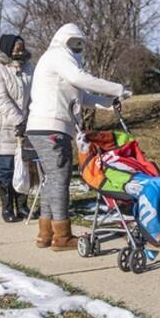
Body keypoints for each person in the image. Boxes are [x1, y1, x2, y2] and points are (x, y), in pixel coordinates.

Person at [26, 23, 132, 251]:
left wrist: (111, 102)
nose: (76, 48)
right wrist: (117, 88)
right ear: (62, 40)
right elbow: (81, 78)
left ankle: (45, 234)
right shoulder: (57, 55)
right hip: (51, 127)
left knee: (51, 180)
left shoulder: (59, 60)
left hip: (42, 127)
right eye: (73, 43)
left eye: (79, 44)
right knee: (59, 179)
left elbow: (82, 96)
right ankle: (62, 237)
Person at [0, 34, 34, 222]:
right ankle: (7, 207)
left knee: (25, 166)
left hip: (25, 125)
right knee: (6, 168)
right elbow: (0, 98)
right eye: (16, 47)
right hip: (2, 126)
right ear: (7, 49)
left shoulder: (29, 68)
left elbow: (34, 95)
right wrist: (19, 120)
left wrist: (31, 119)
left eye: (22, 47)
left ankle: (22, 205)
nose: (20, 50)